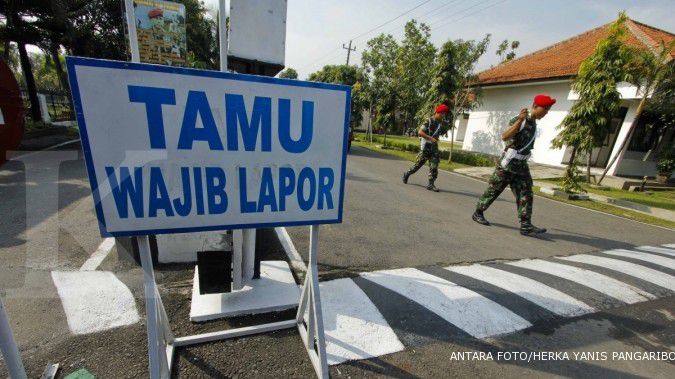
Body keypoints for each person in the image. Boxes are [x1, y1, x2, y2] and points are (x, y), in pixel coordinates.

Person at [472, 94, 556, 236]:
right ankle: (478, 212)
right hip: (508, 164)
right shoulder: (520, 120)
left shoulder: (534, 123)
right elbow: (504, 136)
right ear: (535, 106)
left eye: (548, 110)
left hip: (521, 165)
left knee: (526, 193)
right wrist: (519, 121)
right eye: (545, 109)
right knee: (494, 189)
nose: (546, 113)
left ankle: (525, 225)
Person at [402, 104, 450, 192]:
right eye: (442, 114)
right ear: (437, 112)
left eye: (444, 114)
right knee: (418, 165)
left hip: (434, 147)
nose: (443, 116)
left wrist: (446, 128)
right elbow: (420, 132)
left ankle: (431, 184)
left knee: (434, 165)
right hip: (426, 147)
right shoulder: (429, 121)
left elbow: (442, 133)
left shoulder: (441, 123)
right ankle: (407, 173)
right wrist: (430, 138)